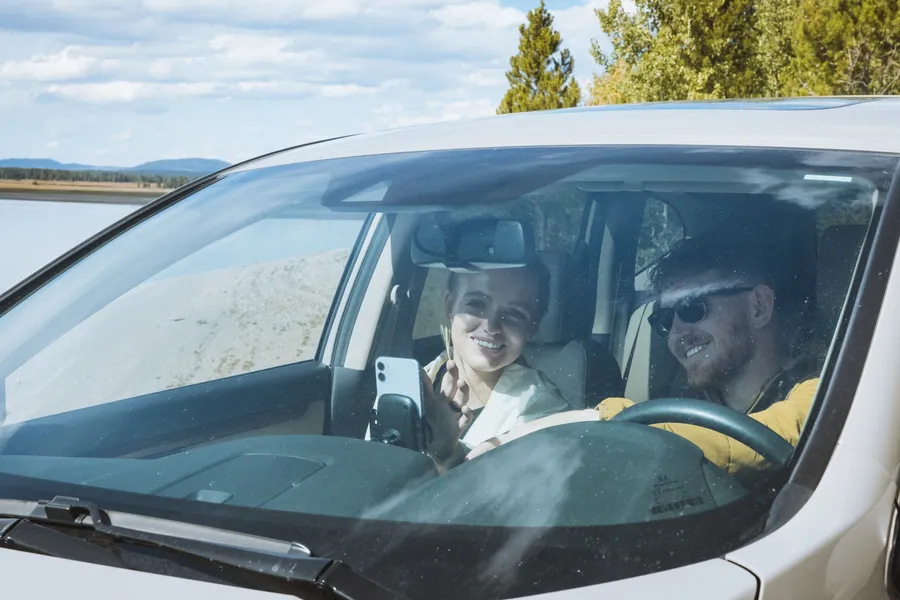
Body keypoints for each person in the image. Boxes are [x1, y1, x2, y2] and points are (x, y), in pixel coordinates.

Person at [460, 232, 821, 480]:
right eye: (665, 319)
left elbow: (771, 436)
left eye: (694, 308)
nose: (678, 332)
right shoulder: (687, 400)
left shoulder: (825, 392)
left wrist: (608, 424)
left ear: (758, 306)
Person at [415, 261, 572, 470]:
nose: (492, 326)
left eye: (515, 313)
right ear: (449, 306)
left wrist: (450, 453)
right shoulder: (418, 382)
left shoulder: (541, 407)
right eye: (478, 304)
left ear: (532, 328)